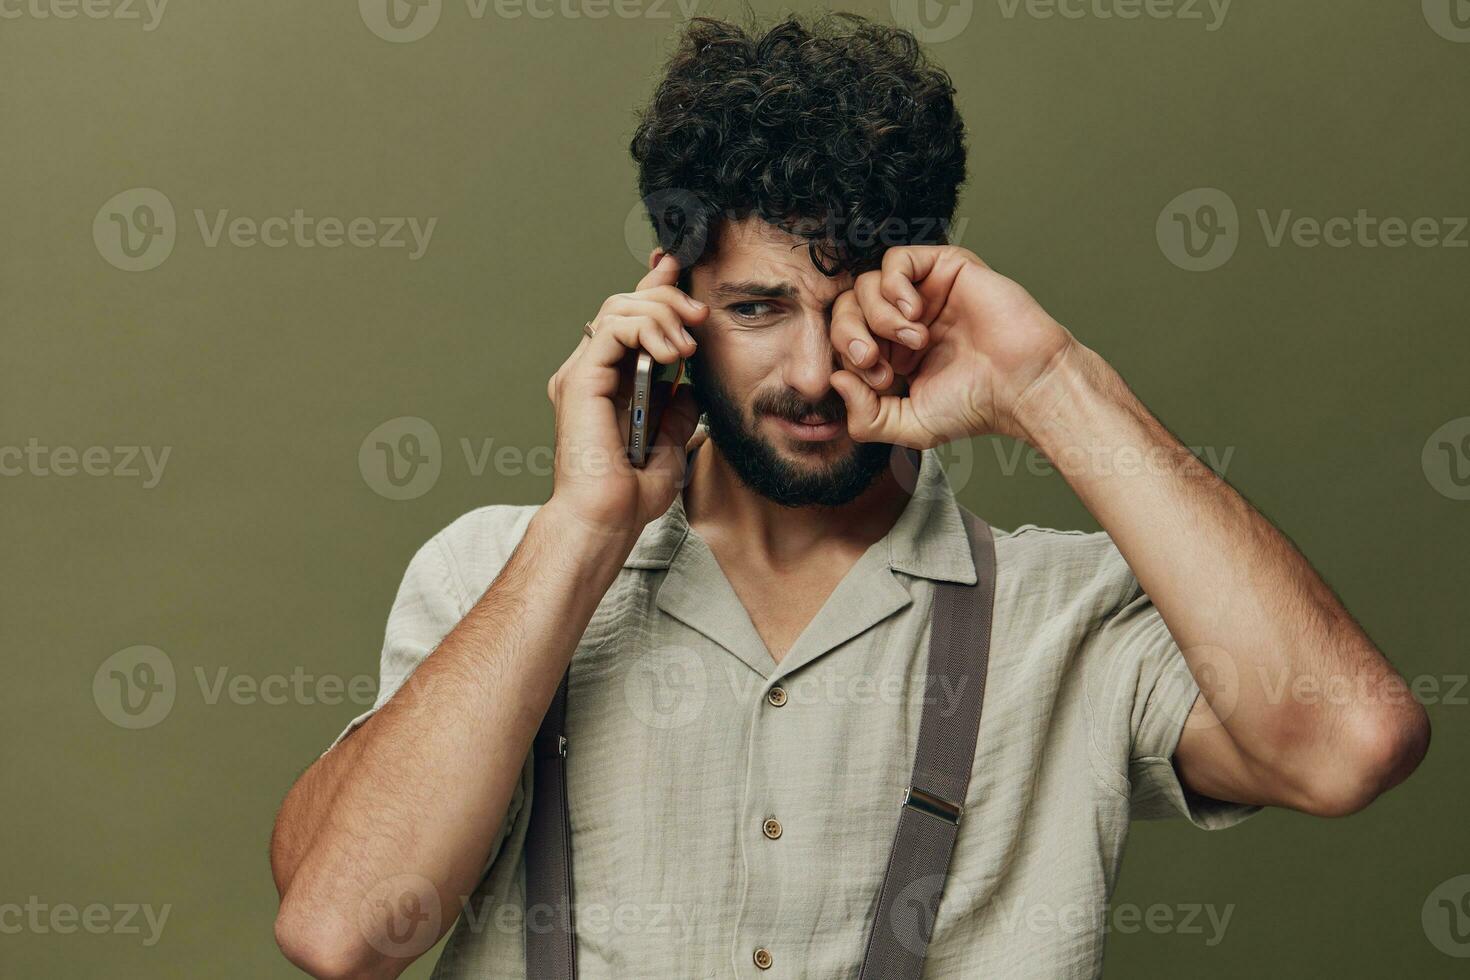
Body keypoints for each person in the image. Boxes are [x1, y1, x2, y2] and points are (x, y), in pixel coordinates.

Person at [269, 15, 1429, 979]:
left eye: (853, 304)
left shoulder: (1065, 615)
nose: (816, 374)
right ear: (671, 310)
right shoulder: (497, 575)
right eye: (760, 308)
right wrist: (583, 531)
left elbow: (1349, 741)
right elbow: (342, 928)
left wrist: (1047, 380)